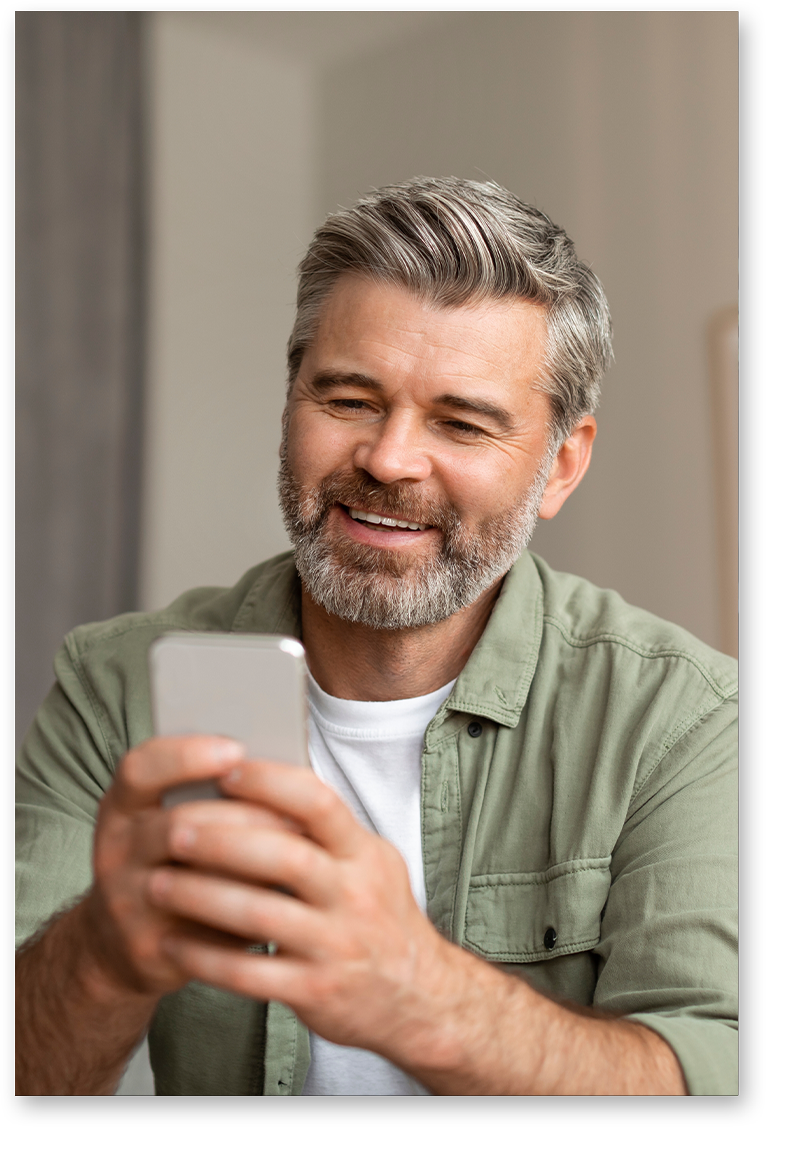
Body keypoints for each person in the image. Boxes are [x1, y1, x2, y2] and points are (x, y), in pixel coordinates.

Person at [15, 177, 737, 1096]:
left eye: (461, 422)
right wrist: (105, 947)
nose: (389, 459)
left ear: (561, 465)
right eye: (349, 399)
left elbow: (712, 1064)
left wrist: (426, 997)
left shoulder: (685, 718)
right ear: (290, 402)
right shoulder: (114, 684)